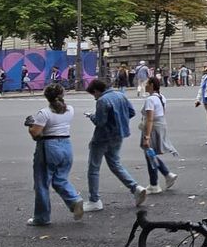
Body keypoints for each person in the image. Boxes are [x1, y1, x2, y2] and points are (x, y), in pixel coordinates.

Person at [84, 78, 147, 211]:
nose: (94, 97)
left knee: (93, 168)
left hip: (102, 137)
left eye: (93, 94)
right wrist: (119, 120)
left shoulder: (102, 100)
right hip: (118, 135)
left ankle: (94, 200)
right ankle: (135, 188)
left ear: (96, 90)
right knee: (115, 164)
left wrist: (91, 116)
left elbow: (100, 122)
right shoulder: (120, 95)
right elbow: (131, 112)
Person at [25, 83, 84, 226]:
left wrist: (30, 126)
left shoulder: (44, 113)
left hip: (49, 146)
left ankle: (42, 217)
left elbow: (36, 133)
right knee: (60, 179)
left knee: (42, 183)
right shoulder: (70, 109)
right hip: (66, 145)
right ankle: (74, 200)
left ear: (47, 97)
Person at [140, 76, 179, 195]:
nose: (145, 85)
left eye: (147, 83)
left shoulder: (150, 100)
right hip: (161, 125)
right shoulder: (162, 97)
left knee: (149, 154)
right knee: (150, 154)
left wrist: (146, 136)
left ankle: (154, 184)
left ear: (152, 85)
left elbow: (150, 119)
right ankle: (166, 175)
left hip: (152, 128)